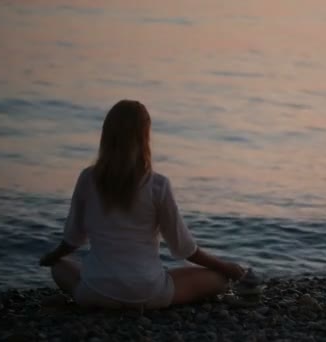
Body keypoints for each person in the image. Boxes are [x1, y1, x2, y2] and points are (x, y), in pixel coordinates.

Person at [39, 99, 245, 309]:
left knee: (59, 267)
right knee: (218, 279)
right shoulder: (157, 185)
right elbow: (184, 248)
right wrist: (226, 267)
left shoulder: (87, 179)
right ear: (144, 136)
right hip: (149, 293)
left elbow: (73, 239)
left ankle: (95, 295)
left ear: (106, 135)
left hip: (94, 293)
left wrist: (52, 256)